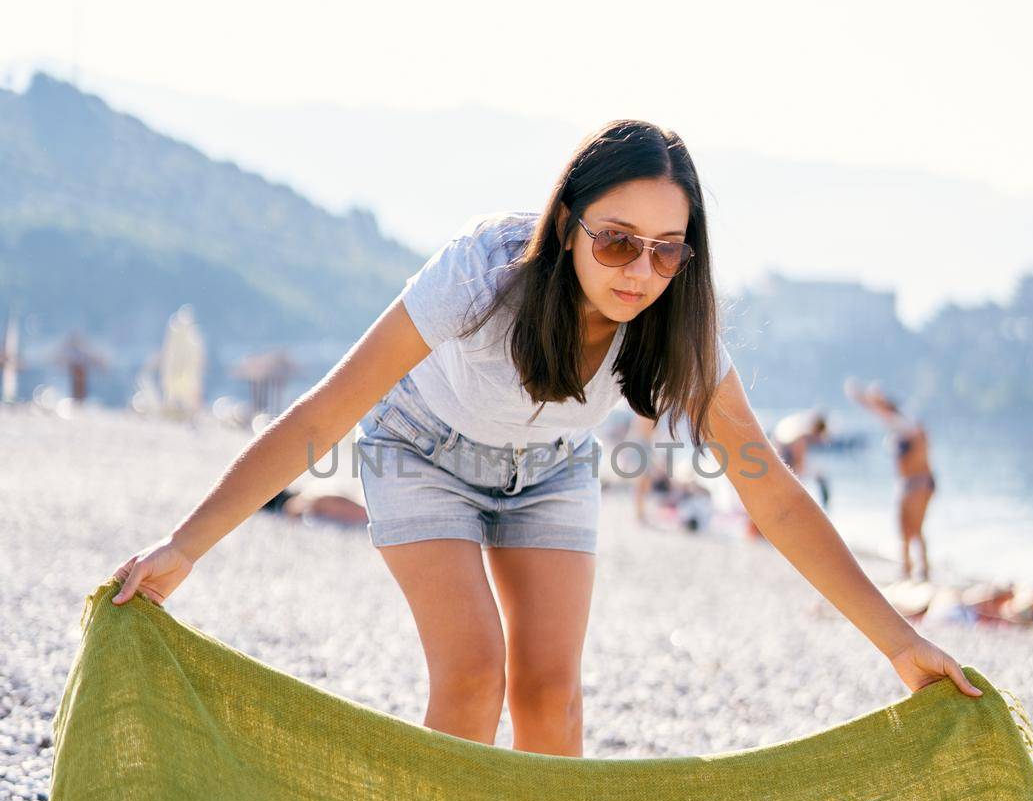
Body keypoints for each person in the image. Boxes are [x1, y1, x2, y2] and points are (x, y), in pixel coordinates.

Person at [111, 119, 982, 759]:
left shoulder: (677, 328)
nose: (640, 272)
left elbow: (771, 493)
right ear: (567, 225)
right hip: (419, 452)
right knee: (473, 670)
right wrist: (186, 546)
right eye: (616, 242)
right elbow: (323, 412)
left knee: (551, 694)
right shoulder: (481, 273)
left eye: (667, 251)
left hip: (553, 471)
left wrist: (898, 641)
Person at [846, 380, 936, 581]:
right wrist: (862, 398)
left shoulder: (907, 425)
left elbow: (881, 411)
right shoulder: (899, 426)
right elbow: (879, 412)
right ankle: (908, 570)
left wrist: (863, 397)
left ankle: (922, 570)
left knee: (915, 528)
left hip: (919, 482)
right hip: (907, 484)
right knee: (904, 528)